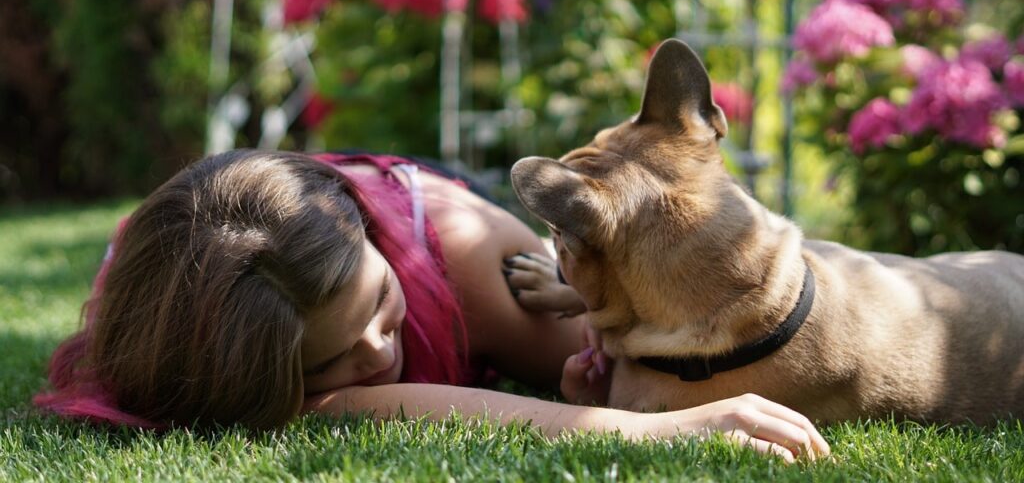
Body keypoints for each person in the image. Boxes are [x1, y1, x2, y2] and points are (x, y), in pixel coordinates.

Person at [36, 150, 828, 461]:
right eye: (330, 360)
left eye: (382, 305)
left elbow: (683, 353)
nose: (380, 352)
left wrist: (631, 399)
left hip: (435, 208)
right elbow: (335, 411)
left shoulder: (475, 262)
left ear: (378, 246)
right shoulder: (191, 324)